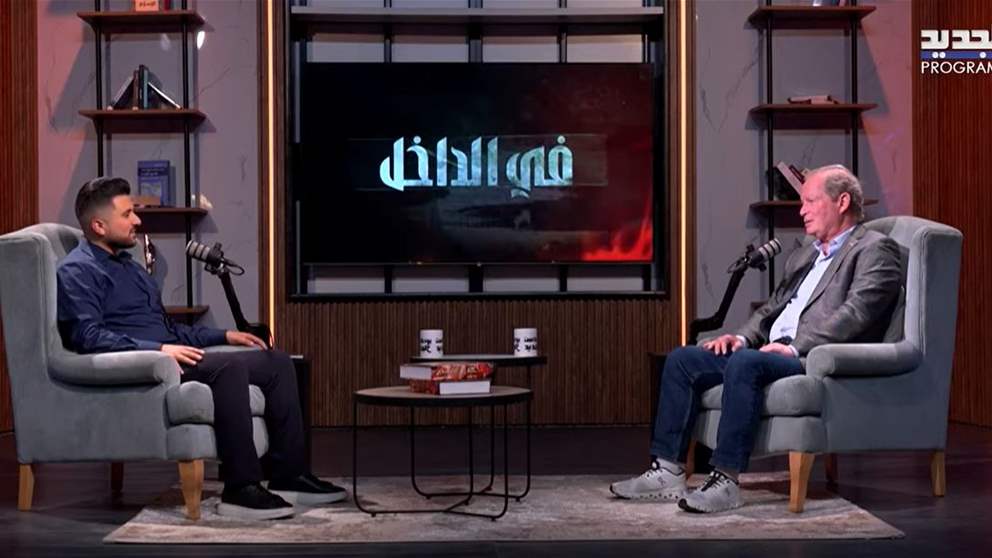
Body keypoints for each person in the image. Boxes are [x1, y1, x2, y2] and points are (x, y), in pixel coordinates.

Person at [610, 164, 902, 513]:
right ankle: (668, 472)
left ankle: (726, 479)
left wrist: (794, 347)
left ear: (842, 202)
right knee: (683, 359)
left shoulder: (875, 249)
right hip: (768, 351)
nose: (801, 211)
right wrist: (741, 338)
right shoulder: (807, 252)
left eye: (810, 201)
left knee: (746, 363)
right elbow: (771, 308)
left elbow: (856, 314)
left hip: (812, 356)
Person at [56, 177, 345, 520]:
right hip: (144, 363)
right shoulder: (78, 270)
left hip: (167, 352)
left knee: (276, 362)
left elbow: (171, 330)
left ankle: (289, 476)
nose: (137, 220)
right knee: (229, 368)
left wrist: (224, 336)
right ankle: (240, 489)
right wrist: (159, 349)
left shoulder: (131, 269)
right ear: (98, 225)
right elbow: (87, 336)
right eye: (127, 213)